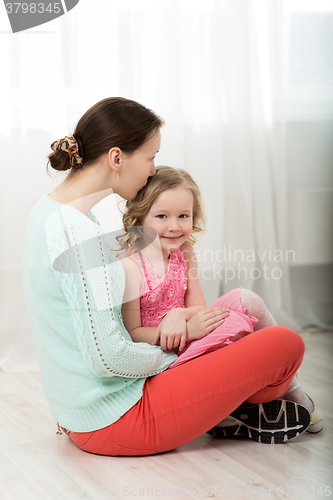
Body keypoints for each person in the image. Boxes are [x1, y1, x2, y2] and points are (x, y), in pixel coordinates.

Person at [22, 98, 322, 458]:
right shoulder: (79, 235)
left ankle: (228, 411)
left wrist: (187, 331)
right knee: (285, 345)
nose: (152, 171)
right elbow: (108, 358)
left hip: (87, 411)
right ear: (117, 158)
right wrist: (187, 349)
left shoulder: (51, 212)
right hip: (116, 418)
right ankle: (233, 410)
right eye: (150, 157)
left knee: (246, 315)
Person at [119, 166, 260, 369]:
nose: (174, 226)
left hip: (192, 330)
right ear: (139, 217)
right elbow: (133, 332)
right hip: (164, 352)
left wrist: (179, 315)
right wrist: (188, 332)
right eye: (162, 216)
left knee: (242, 306)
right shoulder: (131, 268)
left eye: (183, 216)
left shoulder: (184, 251)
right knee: (236, 332)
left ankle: (280, 375)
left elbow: (198, 307)